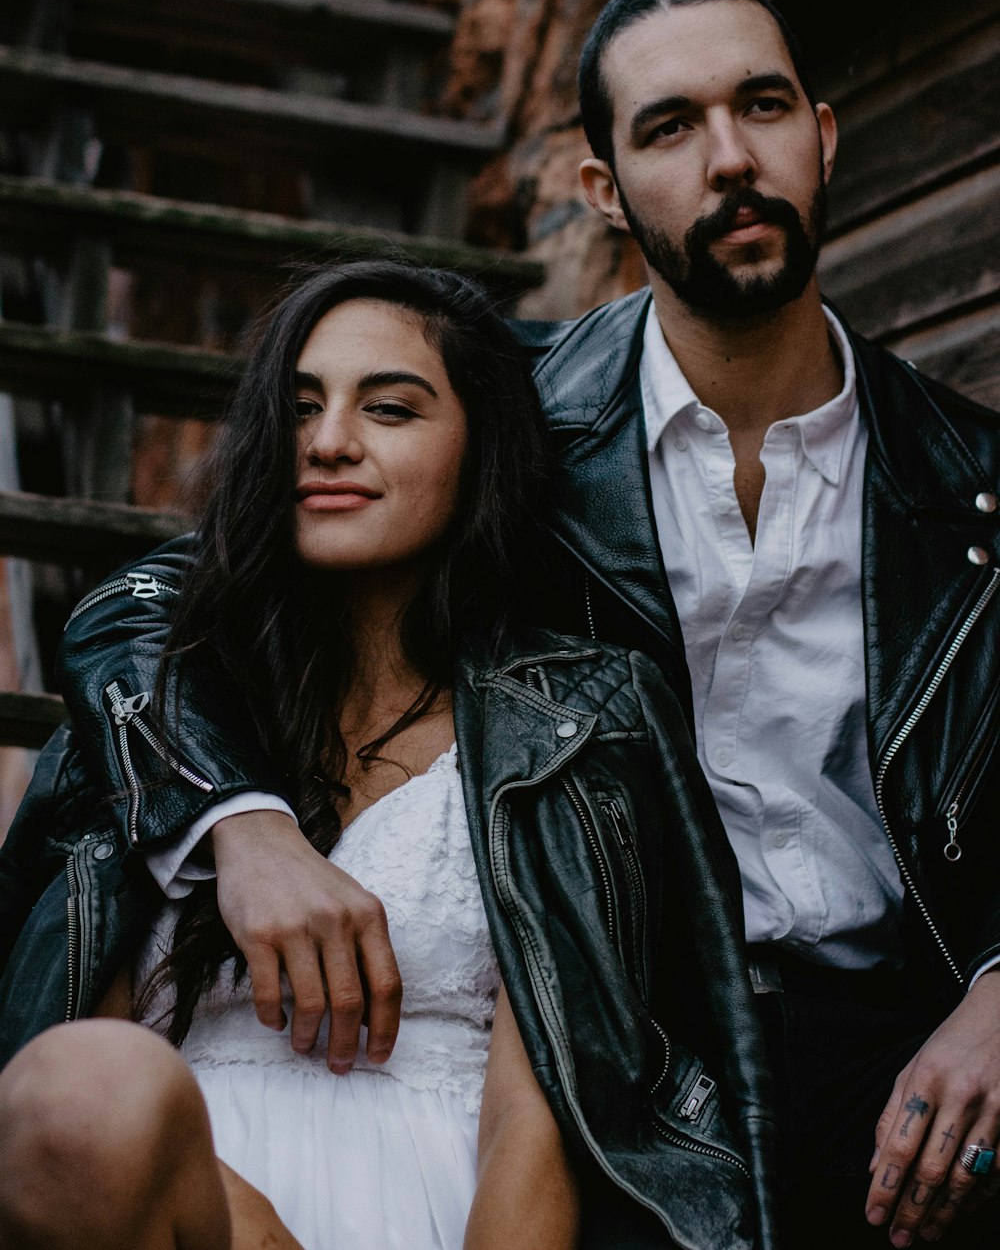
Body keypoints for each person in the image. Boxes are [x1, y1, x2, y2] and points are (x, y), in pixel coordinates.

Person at [14, 0, 1000, 1245]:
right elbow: (153, 597)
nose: (729, 160)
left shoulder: (969, 486)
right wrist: (239, 820)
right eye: (667, 126)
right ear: (602, 191)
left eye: (761, 107)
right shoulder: (507, 430)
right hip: (626, 1010)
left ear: (819, 134)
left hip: (898, 1007)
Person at [0, 261, 777, 1250]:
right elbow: (64, 1060)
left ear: (477, 449)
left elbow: (539, 1116)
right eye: (299, 406)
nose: (326, 443)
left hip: (435, 1207)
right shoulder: (152, 714)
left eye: (391, 409)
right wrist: (241, 834)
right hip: (174, 1213)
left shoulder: (576, 720)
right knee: (85, 1083)